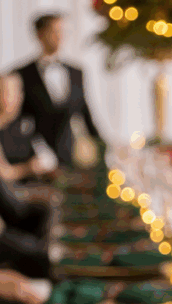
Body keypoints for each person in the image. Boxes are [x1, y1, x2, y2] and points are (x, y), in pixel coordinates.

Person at [12, 12, 102, 165]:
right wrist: (37, 154)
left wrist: (103, 148)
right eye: (54, 32)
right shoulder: (20, 75)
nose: (60, 37)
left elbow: (85, 113)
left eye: (62, 31)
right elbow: (15, 122)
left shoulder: (76, 72)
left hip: (73, 157)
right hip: (35, 159)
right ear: (40, 35)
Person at [0, 75, 56, 182]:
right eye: (11, 93)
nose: (18, 98)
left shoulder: (26, 123)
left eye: (19, 92)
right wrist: (29, 168)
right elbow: (4, 173)